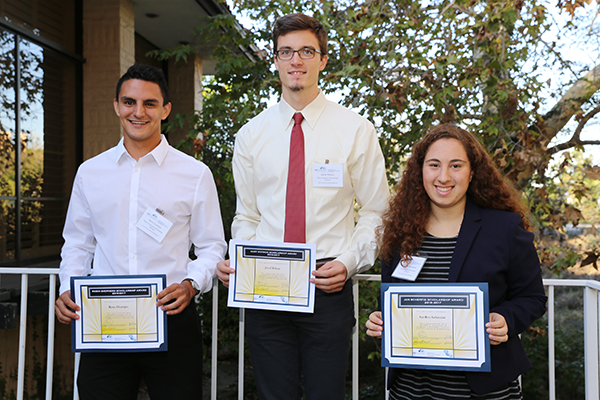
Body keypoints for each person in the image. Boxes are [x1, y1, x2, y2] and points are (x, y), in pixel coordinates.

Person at [216, 13, 390, 400]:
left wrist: (349, 261)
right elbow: (247, 216)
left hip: (327, 285)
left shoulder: (355, 130)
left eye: (307, 51)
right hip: (266, 286)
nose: (296, 60)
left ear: (323, 60)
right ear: (275, 60)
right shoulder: (251, 135)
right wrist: (242, 258)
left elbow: (378, 210)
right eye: (286, 52)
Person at [54, 64, 227, 400]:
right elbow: (77, 243)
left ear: (165, 110)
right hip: (103, 322)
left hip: (171, 318)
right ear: (117, 106)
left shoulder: (194, 174)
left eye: (149, 103)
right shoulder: (90, 173)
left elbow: (211, 247)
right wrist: (67, 288)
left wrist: (191, 285)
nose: (138, 112)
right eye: (129, 102)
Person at [365, 123, 547, 399]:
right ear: (420, 171)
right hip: (411, 391)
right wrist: (380, 321)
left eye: (456, 166)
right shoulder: (400, 231)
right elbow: (391, 302)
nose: (444, 176)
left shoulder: (504, 228)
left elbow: (533, 297)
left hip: (485, 391)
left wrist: (506, 320)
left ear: (472, 172)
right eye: (434, 165)